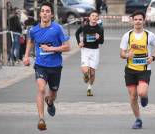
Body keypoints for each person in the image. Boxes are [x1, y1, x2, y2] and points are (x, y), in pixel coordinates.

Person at [23, 2, 70, 131]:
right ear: (40, 14)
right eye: (43, 11)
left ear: (51, 14)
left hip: (55, 66)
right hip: (40, 65)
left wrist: (52, 49)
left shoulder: (57, 28)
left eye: (47, 11)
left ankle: (50, 102)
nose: (45, 13)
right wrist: (26, 56)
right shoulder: (34, 30)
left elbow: (67, 47)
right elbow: (30, 41)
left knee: (53, 93)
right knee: (41, 89)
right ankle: (41, 119)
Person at [119, 10, 155, 129]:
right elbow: (121, 53)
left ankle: (144, 96)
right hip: (130, 70)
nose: (138, 21)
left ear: (144, 21)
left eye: (140, 19)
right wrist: (126, 55)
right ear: (132, 21)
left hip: (144, 69)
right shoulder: (127, 35)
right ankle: (138, 120)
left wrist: (153, 57)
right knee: (133, 96)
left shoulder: (149, 35)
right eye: (136, 19)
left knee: (141, 92)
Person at [75, 10, 104, 96]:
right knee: (85, 70)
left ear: (98, 18)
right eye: (93, 16)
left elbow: (102, 41)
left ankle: (89, 88)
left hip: (95, 51)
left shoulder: (100, 28)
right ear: (89, 17)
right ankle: (85, 75)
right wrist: (79, 43)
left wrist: (98, 38)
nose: (94, 17)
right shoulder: (84, 26)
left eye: (96, 16)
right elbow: (77, 33)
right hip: (85, 50)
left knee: (92, 73)